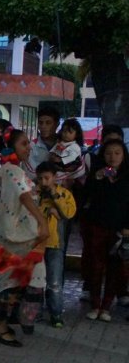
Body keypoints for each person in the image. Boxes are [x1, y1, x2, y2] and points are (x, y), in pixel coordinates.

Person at [0, 130, 49, 345]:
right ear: (11, 148)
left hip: (15, 235)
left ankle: (7, 321)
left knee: (14, 280)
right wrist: (42, 221)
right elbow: (24, 196)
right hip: (13, 237)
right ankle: (0, 327)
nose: (29, 147)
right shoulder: (12, 170)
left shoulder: (11, 169)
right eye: (24, 144)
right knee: (9, 282)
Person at [79, 140, 129, 321]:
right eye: (108, 153)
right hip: (97, 226)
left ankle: (106, 307)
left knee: (115, 268)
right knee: (96, 266)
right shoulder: (97, 174)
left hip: (119, 230)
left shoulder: (127, 176)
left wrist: (127, 226)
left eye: (117, 153)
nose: (112, 157)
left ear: (123, 155)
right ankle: (95, 305)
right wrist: (97, 178)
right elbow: (87, 196)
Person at [34, 161, 77, 327]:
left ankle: (56, 313)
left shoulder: (64, 194)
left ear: (54, 177)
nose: (43, 182)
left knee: (55, 282)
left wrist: (55, 198)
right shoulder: (35, 194)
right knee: (36, 281)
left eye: (47, 178)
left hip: (55, 243)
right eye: (40, 178)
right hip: (36, 243)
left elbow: (69, 213)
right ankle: (35, 312)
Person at [27, 106, 61, 176]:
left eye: (48, 123)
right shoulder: (32, 146)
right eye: (40, 123)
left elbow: (73, 172)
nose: (43, 126)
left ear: (57, 124)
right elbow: (30, 174)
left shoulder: (66, 144)